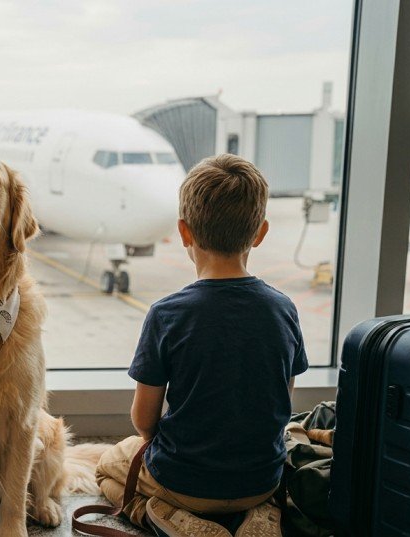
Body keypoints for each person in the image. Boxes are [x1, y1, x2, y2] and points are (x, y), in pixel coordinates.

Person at [96, 154, 308, 537]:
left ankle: (168, 517)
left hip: (184, 483)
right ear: (260, 233)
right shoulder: (283, 308)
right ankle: (261, 513)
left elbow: (144, 422)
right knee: (255, 477)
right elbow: (281, 403)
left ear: (184, 232)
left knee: (109, 466)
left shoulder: (167, 314)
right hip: (261, 479)